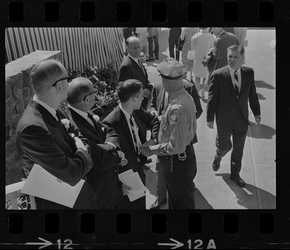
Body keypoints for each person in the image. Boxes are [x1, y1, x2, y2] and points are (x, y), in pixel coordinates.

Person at [15, 59, 97, 209]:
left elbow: (81, 136)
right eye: (68, 79)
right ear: (59, 86)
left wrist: (80, 148)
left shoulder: (56, 109)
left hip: (81, 198)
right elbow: (71, 173)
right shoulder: (32, 128)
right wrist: (82, 151)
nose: (69, 83)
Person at [140, 59, 197, 209]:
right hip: (181, 161)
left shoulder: (177, 107)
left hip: (176, 162)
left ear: (166, 81)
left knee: (180, 204)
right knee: (180, 200)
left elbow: (176, 146)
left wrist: (151, 150)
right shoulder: (184, 96)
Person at [206, 45, 261, 187]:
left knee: (238, 150)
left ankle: (235, 175)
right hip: (224, 120)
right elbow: (212, 98)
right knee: (223, 146)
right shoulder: (218, 75)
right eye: (230, 56)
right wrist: (210, 118)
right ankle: (218, 155)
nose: (232, 59)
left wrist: (257, 112)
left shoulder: (249, 73)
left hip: (242, 119)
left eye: (236, 57)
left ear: (242, 58)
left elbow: (252, 94)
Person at [66, 77, 124, 209]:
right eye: (94, 92)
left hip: (111, 189)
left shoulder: (84, 113)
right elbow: (99, 160)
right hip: (100, 195)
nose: (96, 95)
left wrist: (110, 145)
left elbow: (110, 131)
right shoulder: (75, 126)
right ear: (86, 100)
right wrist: (118, 154)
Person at [103, 79, 160, 209]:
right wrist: (117, 185)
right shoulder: (111, 122)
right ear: (134, 99)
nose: (143, 100)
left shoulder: (137, 110)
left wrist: (153, 140)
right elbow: (108, 157)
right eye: (141, 97)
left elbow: (154, 121)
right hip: (125, 178)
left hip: (140, 169)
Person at [118, 36, 153, 109]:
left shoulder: (138, 60)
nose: (137, 50)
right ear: (127, 48)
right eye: (134, 48)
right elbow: (124, 90)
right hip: (135, 107)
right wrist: (142, 92)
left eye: (138, 47)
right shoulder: (126, 66)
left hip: (142, 105)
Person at [191, 27, 214, 99]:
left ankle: (197, 92)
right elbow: (213, 48)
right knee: (205, 76)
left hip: (197, 58)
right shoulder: (211, 36)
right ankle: (203, 92)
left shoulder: (196, 36)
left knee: (197, 76)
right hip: (207, 59)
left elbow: (192, 48)